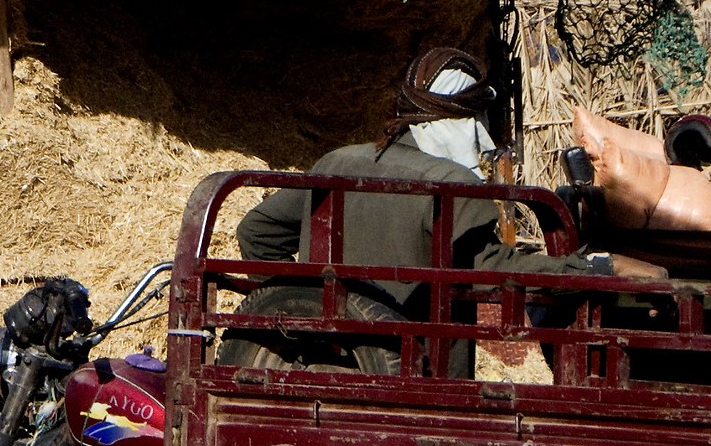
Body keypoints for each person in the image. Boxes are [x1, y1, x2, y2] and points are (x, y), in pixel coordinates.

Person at [237, 47, 657, 312]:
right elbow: (497, 270)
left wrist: (296, 309)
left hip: (322, 371)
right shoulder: (451, 187)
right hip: (416, 375)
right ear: (465, 122)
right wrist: (598, 266)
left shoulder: (336, 163)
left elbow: (258, 231)